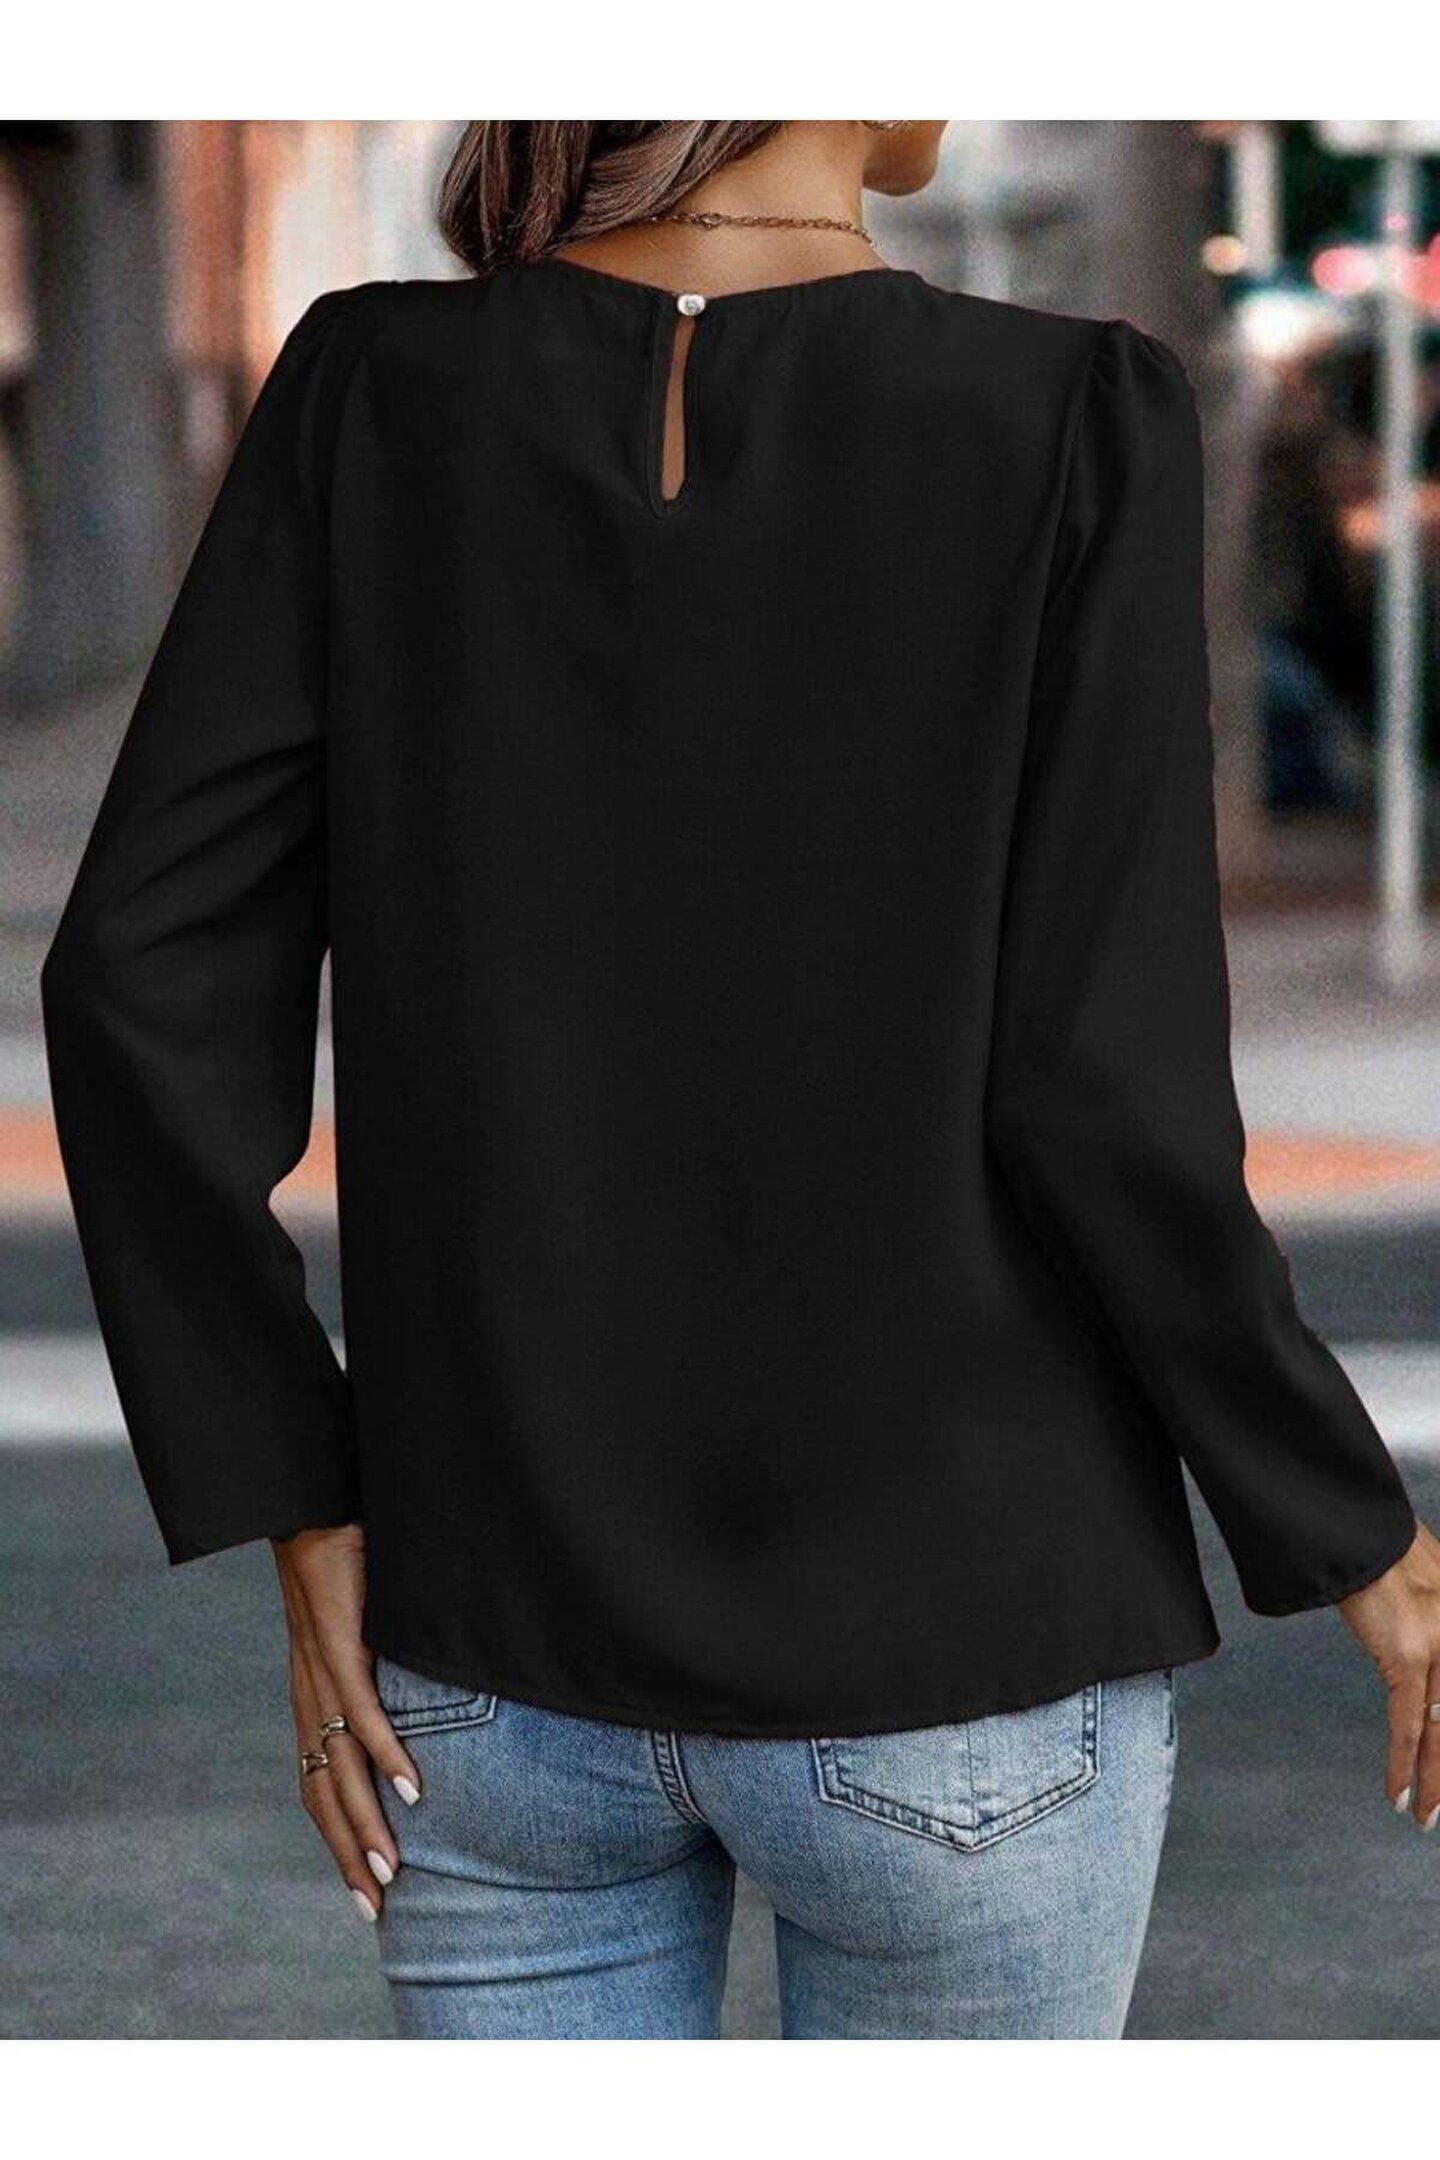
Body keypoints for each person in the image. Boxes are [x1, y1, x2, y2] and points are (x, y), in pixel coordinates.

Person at [42, 120, 1440, 2042]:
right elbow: (1102, 1092)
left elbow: (138, 975)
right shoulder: (1066, 415)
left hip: (489, 1644)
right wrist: (1349, 1522)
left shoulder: (371, 391)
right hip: (966, 1648)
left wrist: (294, 1488)